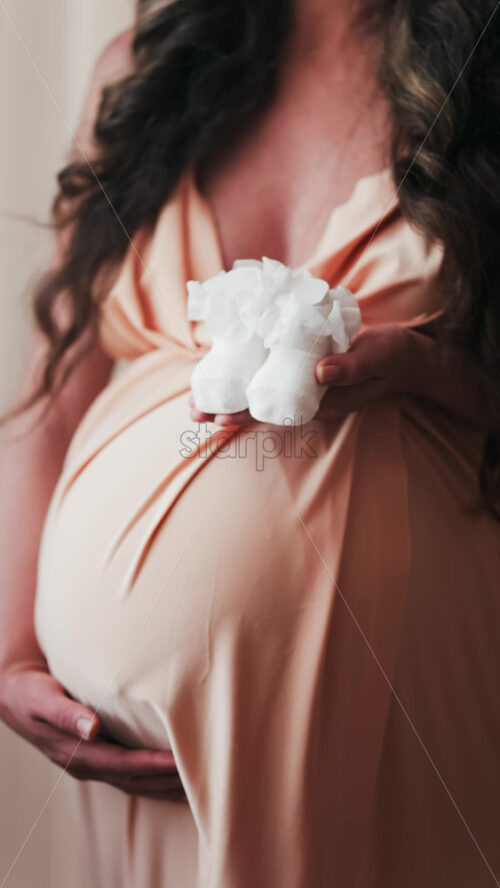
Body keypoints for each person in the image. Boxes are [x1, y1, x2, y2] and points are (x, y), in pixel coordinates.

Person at [1, 1, 499, 885]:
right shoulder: (141, 74)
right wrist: (9, 656)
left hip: (408, 722)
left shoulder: (485, 77)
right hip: (140, 785)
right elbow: (47, 406)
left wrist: (427, 374)